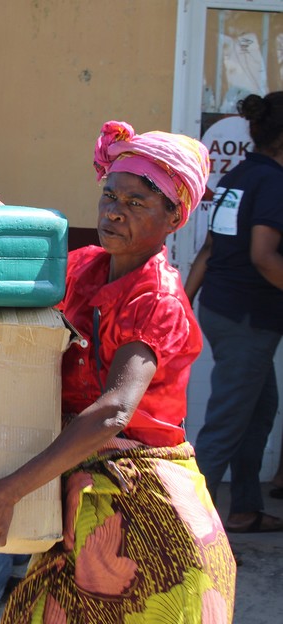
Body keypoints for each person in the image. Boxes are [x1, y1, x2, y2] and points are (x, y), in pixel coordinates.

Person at [0, 122, 236, 622]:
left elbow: (113, 412)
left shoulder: (156, 298)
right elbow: (12, 273)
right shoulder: (84, 267)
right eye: (109, 195)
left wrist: (6, 492)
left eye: (136, 202)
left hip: (147, 517)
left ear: (174, 218)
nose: (113, 211)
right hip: (78, 500)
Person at [185, 92, 283, 532]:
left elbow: (209, 248)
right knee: (224, 426)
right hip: (247, 320)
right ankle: (179, 533)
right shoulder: (274, 183)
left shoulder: (237, 177)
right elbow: (264, 256)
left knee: (259, 412)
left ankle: (244, 509)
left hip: (223, 309)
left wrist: (184, 305)